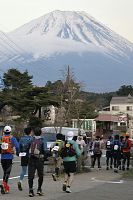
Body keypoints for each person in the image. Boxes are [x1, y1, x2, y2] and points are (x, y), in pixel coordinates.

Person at [0, 125, 19, 194]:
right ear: (10, 131)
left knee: (5, 172)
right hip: (9, 157)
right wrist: (17, 153)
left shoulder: (1, 137)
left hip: (2, 157)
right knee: (7, 173)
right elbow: (17, 146)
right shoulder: (12, 138)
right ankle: (4, 185)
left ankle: (5, 188)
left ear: (4, 131)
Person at [28, 127, 46, 197]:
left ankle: (30, 190)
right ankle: (39, 189)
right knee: (40, 175)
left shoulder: (31, 140)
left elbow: (27, 148)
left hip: (31, 159)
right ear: (41, 133)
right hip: (39, 159)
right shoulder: (42, 140)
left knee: (31, 176)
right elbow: (44, 150)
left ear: (34, 133)